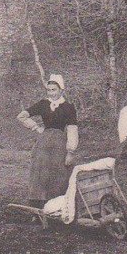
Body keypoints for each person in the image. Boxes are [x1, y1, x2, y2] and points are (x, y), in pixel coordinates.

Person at [17, 74, 79, 209]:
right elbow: (22, 116)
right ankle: (38, 207)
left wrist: (70, 152)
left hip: (60, 144)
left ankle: (57, 207)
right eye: (49, 90)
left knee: (60, 173)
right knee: (40, 172)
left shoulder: (68, 107)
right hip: (43, 143)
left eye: (54, 90)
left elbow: (72, 129)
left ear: (61, 90)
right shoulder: (43, 104)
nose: (51, 93)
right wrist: (36, 127)